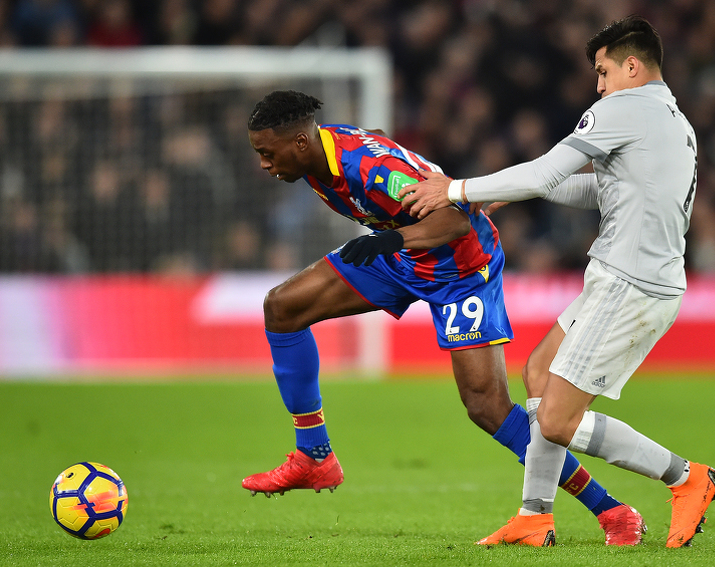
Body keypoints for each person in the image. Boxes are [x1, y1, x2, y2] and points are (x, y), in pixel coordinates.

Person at [241, 90, 646, 546]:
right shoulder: (323, 152)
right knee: (282, 307)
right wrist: (405, 215)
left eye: (266, 152)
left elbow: (454, 221)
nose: (263, 163)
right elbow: (379, 140)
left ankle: (612, 511)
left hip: (460, 268)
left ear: (299, 142)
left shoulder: (364, 168)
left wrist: (393, 238)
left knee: (486, 407)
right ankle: (314, 454)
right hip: (405, 253)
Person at [398, 16, 715, 549]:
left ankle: (687, 478)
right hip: (635, 277)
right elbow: (604, 191)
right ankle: (534, 516)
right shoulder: (674, 121)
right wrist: (510, 191)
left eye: (603, 71)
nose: (598, 85)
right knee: (539, 372)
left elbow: (545, 171)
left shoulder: (624, 107)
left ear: (632, 66)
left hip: (630, 283)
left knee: (554, 420)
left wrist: (456, 189)